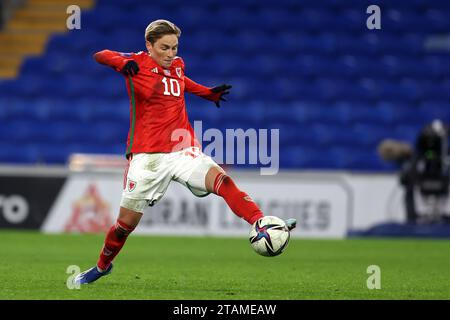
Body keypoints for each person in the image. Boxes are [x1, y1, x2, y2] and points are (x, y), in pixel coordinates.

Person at [74, 19, 296, 285]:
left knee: (222, 180)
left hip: (182, 148)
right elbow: (100, 55)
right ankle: (101, 266)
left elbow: (181, 82)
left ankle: (260, 223)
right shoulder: (137, 63)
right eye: (164, 48)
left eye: (174, 48)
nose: (170, 54)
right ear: (149, 45)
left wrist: (207, 94)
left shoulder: (177, 65)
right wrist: (121, 63)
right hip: (147, 157)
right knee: (125, 225)